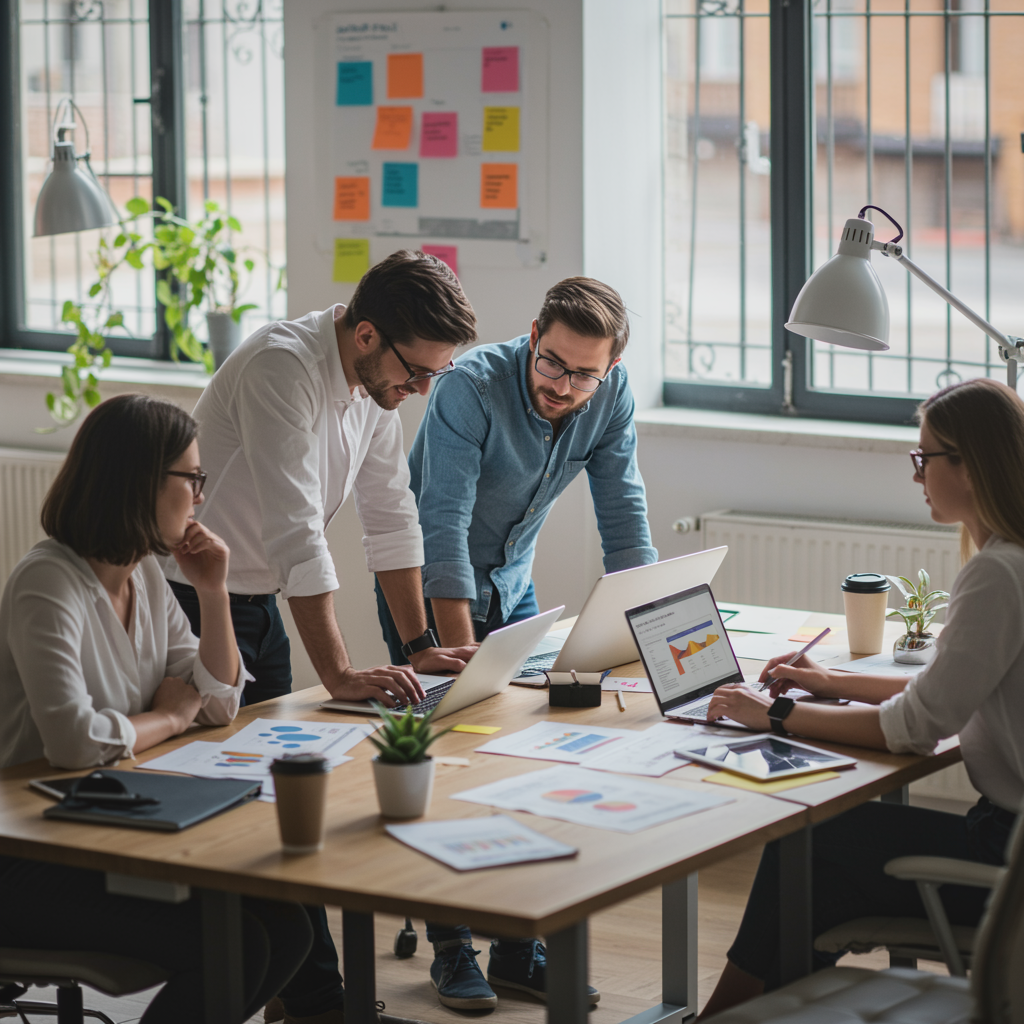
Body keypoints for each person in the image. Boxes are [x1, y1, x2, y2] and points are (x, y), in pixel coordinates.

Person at [164, 249, 475, 1024]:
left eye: (435, 375)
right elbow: (297, 531)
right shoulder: (283, 367)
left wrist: (417, 644)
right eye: (416, 371)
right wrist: (336, 673)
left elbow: (390, 514)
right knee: (239, 811)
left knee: (281, 806)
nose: (421, 390)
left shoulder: (375, 385)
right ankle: (319, 1004)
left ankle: (311, 1004)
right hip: (190, 600)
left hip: (259, 600)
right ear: (366, 335)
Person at [697, 377, 1024, 1020]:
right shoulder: (1012, 560)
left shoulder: (998, 573)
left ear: (970, 464)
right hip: (1006, 839)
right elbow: (947, 685)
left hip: (1005, 857)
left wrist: (776, 714)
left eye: (925, 458)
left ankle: (722, 1016)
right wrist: (832, 684)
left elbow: (914, 729)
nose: (916, 475)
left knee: (810, 842)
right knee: (822, 866)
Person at [377, 276, 658, 1010]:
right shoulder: (468, 387)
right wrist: (461, 664)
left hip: (513, 587)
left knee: (527, 761)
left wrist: (659, 630)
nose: (562, 385)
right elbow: (442, 525)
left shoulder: (610, 396)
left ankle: (513, 946)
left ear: (611, 369)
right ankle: (450, 949)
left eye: (584, 374)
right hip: (433, 594)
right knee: (451, 766)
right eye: (552, 362)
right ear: (534, 336)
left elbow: (623, 513)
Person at [0, 394, 311, 1023]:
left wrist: (213, 592)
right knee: (237, 945)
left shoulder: (141, 573)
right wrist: (169, 718)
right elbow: (74, 742)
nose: (201, 496)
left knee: (289, 928)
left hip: (108, 825)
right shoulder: (47, 582)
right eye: (191, 478)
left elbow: (217, 702)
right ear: (139, 480)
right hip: (29, 853)